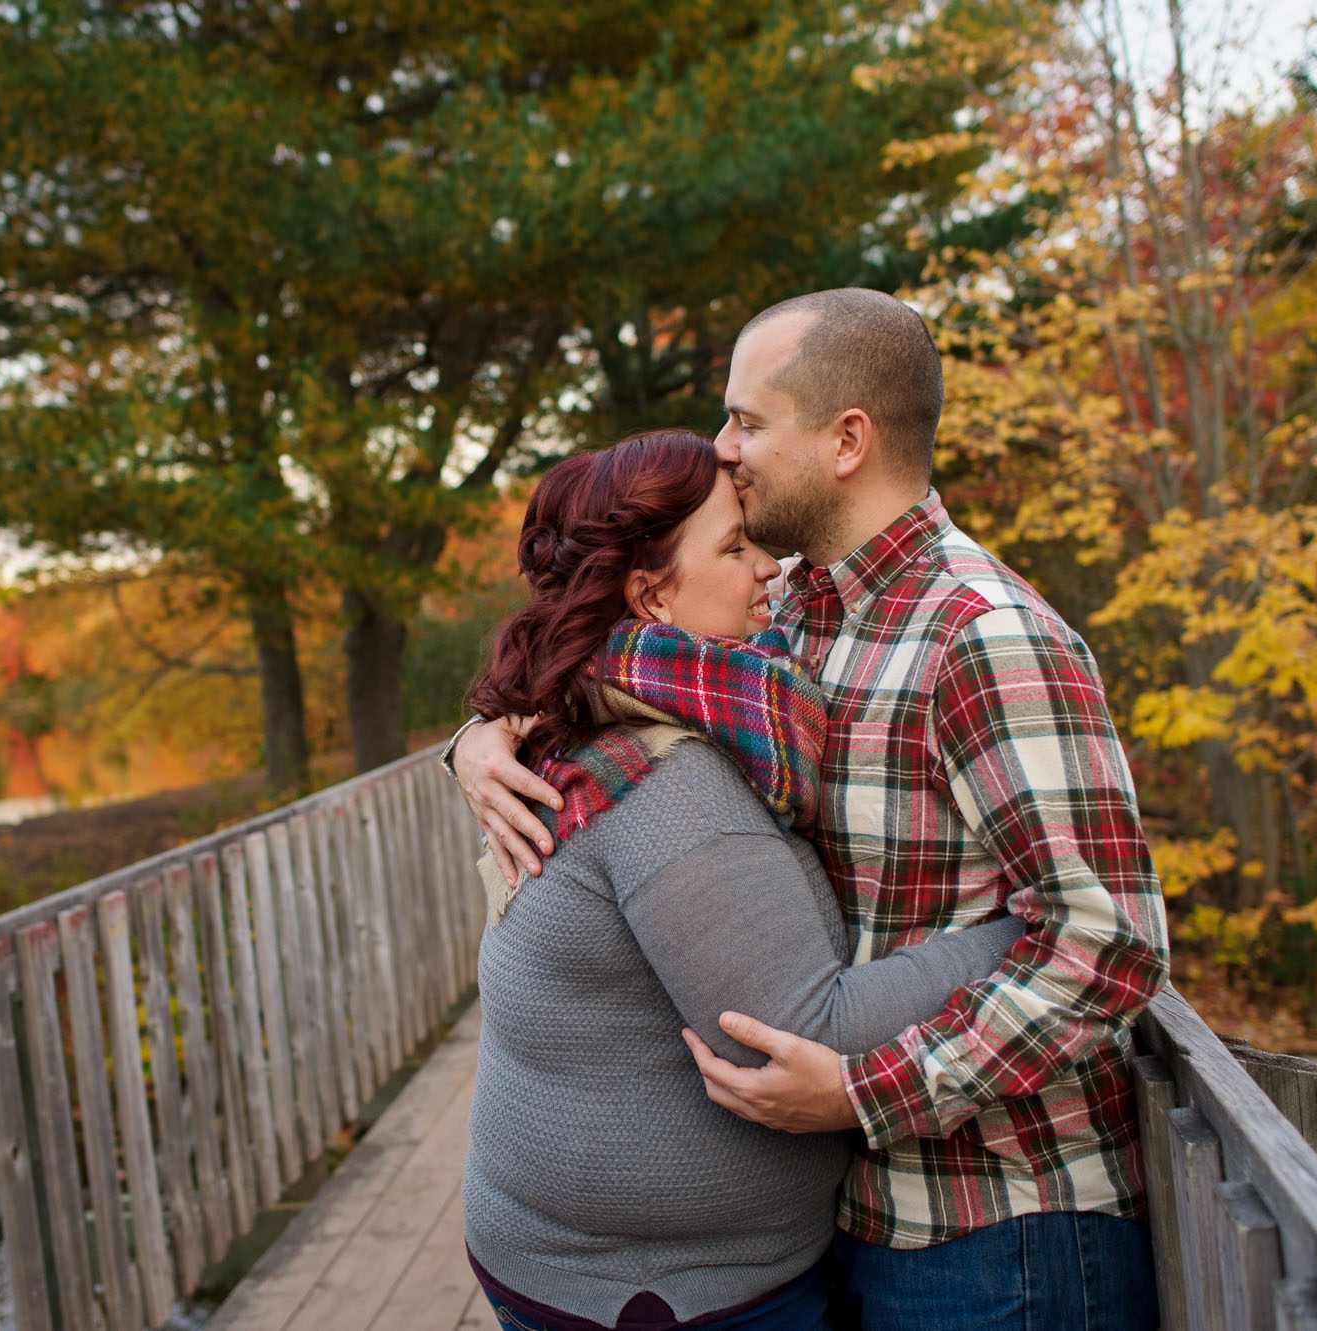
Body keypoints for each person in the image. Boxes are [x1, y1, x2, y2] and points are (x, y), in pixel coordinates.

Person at [452, 290, 1170, 1331]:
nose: (722, 447)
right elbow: (599, 647)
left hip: (998, 1220)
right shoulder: (784, 616)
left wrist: (864, 1092)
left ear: (845, 439)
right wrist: (476, 738)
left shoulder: (985, 635)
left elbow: (1109, 941)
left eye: (746, 420)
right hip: (860, 1208)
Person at [459, 427, 1025, 1331]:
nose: (770, 569)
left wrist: (471, 738)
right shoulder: (668, 785)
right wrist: (1021, 931)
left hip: (577, 1257)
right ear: (650, 594)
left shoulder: (597, 696)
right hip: (659, 1293)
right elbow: (800, 1028)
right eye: (734, 548)